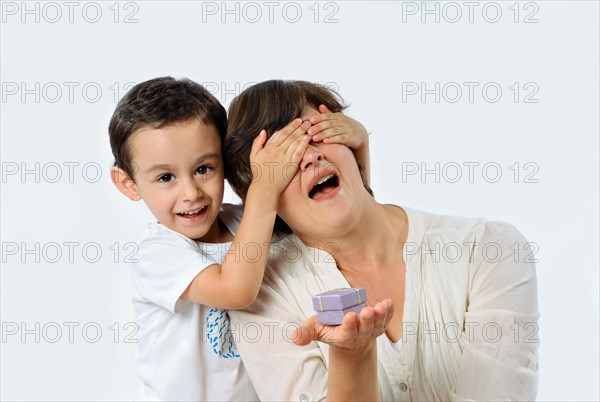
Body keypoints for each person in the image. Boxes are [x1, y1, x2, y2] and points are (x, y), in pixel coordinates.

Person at [224, 80, 540, 401]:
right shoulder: (262, 299)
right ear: (261, 200)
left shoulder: (490, 249)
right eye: (282, 159)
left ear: (351, 141)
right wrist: (352, 355)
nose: (309, 157)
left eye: (315, 133)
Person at [108, 77, 391, 400]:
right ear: (128, 184)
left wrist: (358, 150)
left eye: (204, 169)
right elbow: (235, 289)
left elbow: (340, 222)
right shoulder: (159, 252)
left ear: (224, 167)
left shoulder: (245, 221)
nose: (191, 193)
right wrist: (266, 186)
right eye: (166, 177)